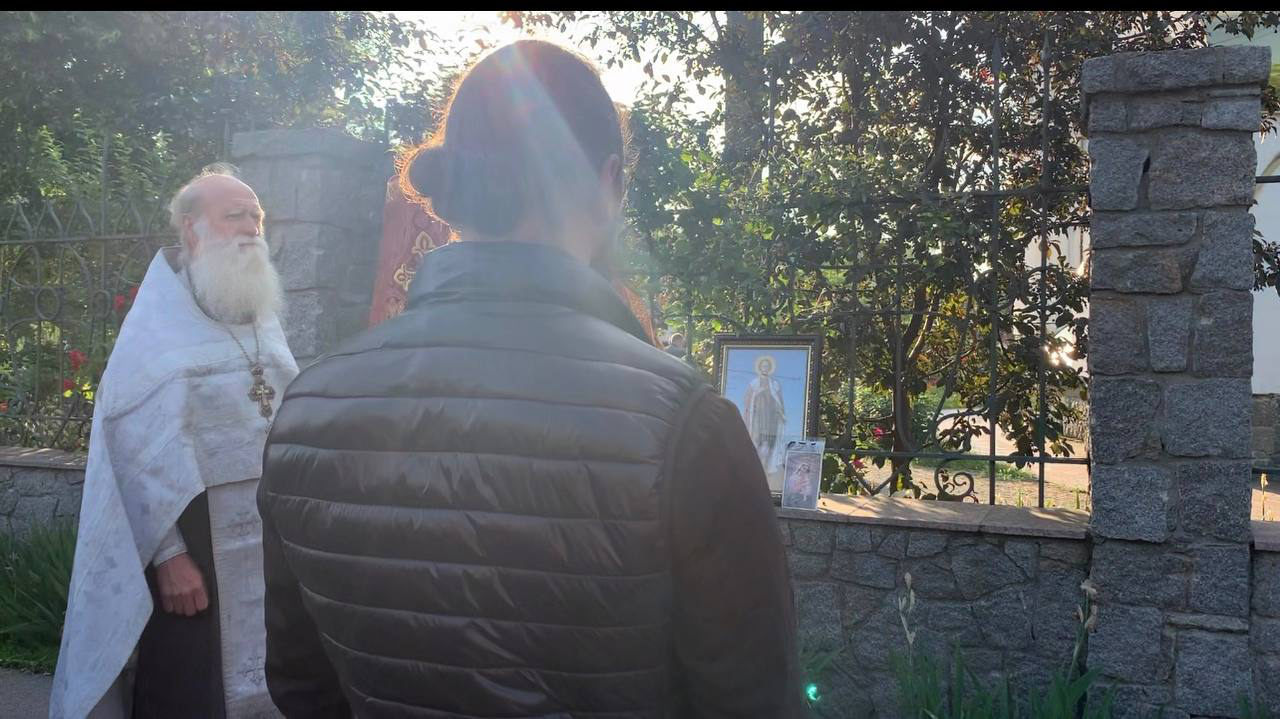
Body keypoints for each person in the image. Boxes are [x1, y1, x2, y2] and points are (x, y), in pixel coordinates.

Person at [257, 39, 802, 718]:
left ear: (455, 190)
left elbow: (301, 687)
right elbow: (754, 699)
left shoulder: (307, 411)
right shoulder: (684, 425)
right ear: (610, 183)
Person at [50, 165, 297, 719]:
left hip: (270, 542)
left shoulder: (257, 309)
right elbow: (129, 452)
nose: (251, 228)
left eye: (256, 216)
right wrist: (169, 558)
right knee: (190, 689)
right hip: (194, 546)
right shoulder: (155, 327)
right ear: (191, 228)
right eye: (234, 216)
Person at [742, 355, 787, 473]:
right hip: (758, 417)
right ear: (760, 368)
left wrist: (781, 413)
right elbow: (747, 400)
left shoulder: (774, 383)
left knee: (770, 442)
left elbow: (779, 400)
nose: (765, 368)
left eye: (767, 366)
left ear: (770, 368)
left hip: (772, 417)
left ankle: (767, 466)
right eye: (763, 366)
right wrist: (757, 393)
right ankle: (756, 467)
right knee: (758, 440)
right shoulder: (754, 383)